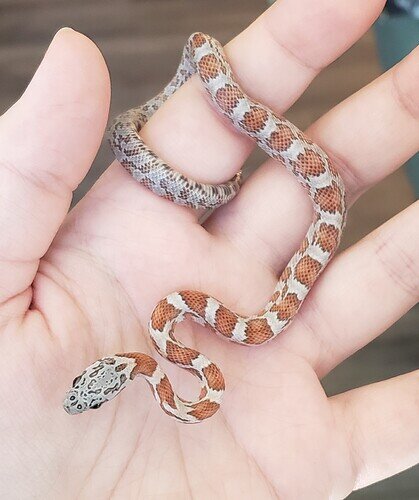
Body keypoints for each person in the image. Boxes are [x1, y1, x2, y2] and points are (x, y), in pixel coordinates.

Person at [0, 1, 418, 497]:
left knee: (204, 52)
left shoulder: (164, 328)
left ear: (110, 371)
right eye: (86, 396)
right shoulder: (173, 347)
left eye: (83, 392)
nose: (80, 399)